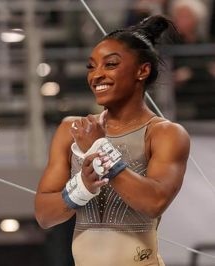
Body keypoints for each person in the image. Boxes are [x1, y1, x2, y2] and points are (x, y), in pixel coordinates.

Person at [35, 15, 190, 266]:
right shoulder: (72, 129)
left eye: (110, 65)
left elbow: (154, 202)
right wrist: (82, 187)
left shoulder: (165, 133)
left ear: (142, 70)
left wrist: (99, 149)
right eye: (91, 66)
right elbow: (44, 215)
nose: (96, 75)